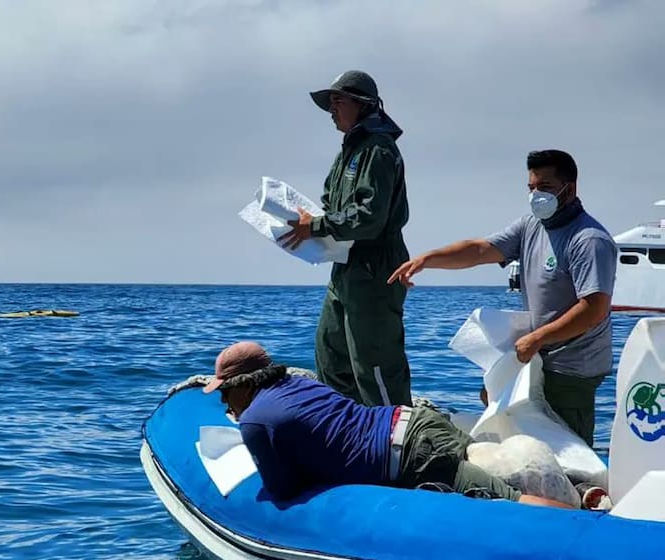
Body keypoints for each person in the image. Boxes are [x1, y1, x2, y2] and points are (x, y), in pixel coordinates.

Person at [389, 149, 616, 446]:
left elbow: (594, 308)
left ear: (569, 189)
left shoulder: (589, 240)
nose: (535, 195)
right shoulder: (530, 226)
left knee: (566, 447)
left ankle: (579, 490)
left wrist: (538, 338)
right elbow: (479, 250)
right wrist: (427, 259)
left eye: (544, 187)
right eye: (531, 188)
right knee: (517, 428)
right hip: (537, 353)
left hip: (573, 366)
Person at [203, 341, 571, 508]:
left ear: (246, 385)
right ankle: (581, 495)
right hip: (417, 421)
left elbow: (282, 492)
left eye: (225, 393)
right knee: (492, 465)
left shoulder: (254, 421)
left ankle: (589, 530)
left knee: (514, 503)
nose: (224, 402)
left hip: (414, 458)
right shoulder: (299, 382)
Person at [277, 70, 412, 408]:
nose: (331, 109)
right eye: (330, 103)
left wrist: (317, 227)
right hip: (345, 267)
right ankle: (345, 437)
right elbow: (330, 203)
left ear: (363, 104)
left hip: (375, 268)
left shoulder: (378, 149)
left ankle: (393, 445)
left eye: (338, 101)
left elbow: (370, 217)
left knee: (376, 366)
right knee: (332, 357)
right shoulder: (349, 151)